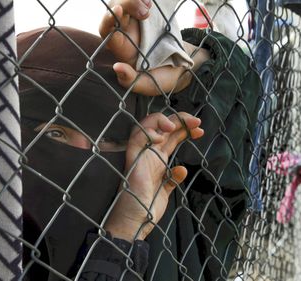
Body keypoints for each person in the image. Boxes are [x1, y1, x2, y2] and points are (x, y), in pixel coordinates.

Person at [18, 27, 204, 280]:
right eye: (55, 132)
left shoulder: (164, 225)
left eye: (107, 139)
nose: (87, 156)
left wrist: (125, 227)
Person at [99, 0, 262, 280]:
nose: (86, 147)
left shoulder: (174, 206)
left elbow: (221, 166)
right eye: (50, 135)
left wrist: (187, 68)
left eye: (111, 140)